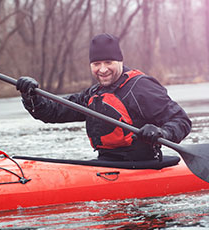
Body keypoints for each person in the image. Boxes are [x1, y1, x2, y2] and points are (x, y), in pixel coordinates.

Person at [16, 33, 191, 161]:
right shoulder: (94, 94)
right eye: (96, 64)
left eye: (108, 62)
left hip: (142, 164)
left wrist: (162, 132)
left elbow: (181, 120)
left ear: (120, 61)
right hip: (105, 164)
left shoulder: (141, 87)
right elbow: (53, 112)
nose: (102, 69)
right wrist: (30, 95)